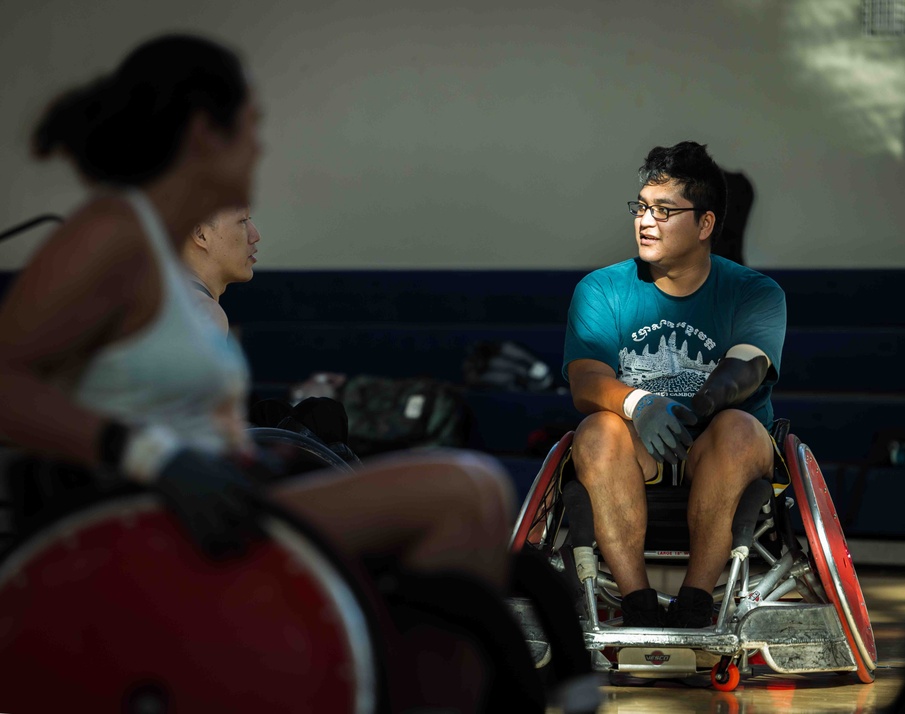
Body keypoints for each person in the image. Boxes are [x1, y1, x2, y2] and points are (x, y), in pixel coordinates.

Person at [0, 34, 590, 711]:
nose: (260, 146)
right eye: (252, 126)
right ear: (204, 133)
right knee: (465, 490)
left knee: (479, 506)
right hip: (158, 518)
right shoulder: (111, 232)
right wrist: (148, 457)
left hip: (227, 498)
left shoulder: (163, 258)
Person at [563, 141, 786, 629]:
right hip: (635, 452)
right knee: (598, 430)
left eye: (664, 211)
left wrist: (701, 403)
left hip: (717, 447)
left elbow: (747, 363)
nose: (645, 221)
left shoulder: (756, 292)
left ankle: (696, 600)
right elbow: (585, 379)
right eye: (641, 207)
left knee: (739, 428)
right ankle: (637, 599)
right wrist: (640, 403)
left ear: (705, 224)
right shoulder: (600, 290)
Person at [181, 205, 260, 335]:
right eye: (243, 221)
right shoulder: (205, 311)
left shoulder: (165, 302)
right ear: (201, 235)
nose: (255, 236)